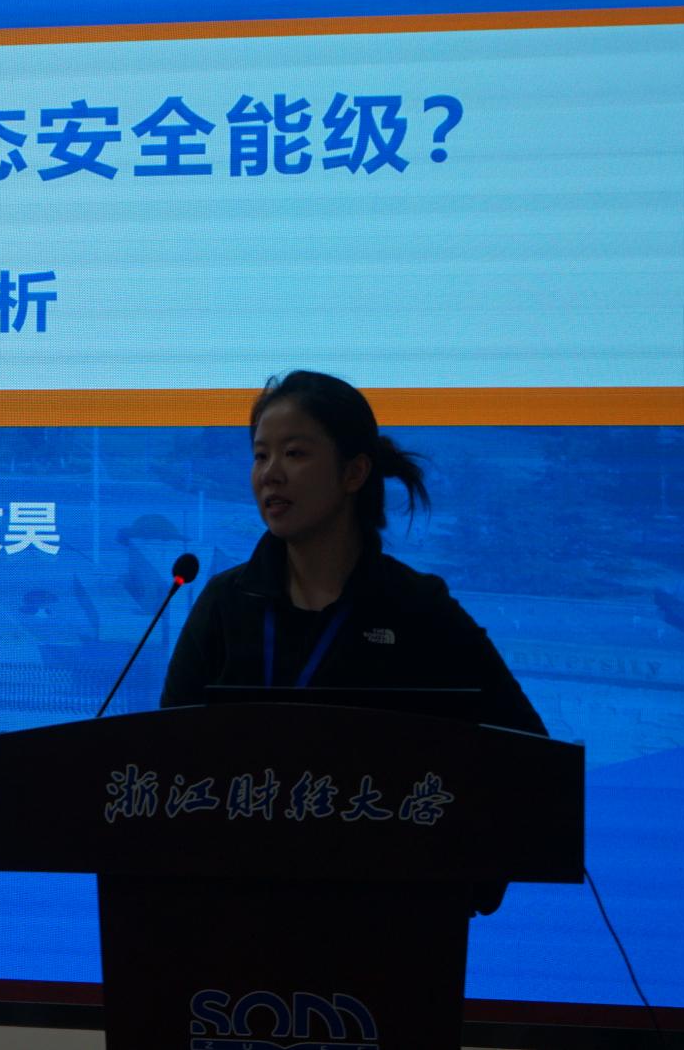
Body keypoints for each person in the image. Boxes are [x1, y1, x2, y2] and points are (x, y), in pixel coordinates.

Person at [160, 370, 546, 913]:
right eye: (260, 455)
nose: (271, 474)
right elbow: (165, 762)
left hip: (389, 921)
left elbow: (527, 756)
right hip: (234, 916)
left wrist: (460, 885)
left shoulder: (417, 608)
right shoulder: (226, 603)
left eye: (294, 454)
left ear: (354, 471)